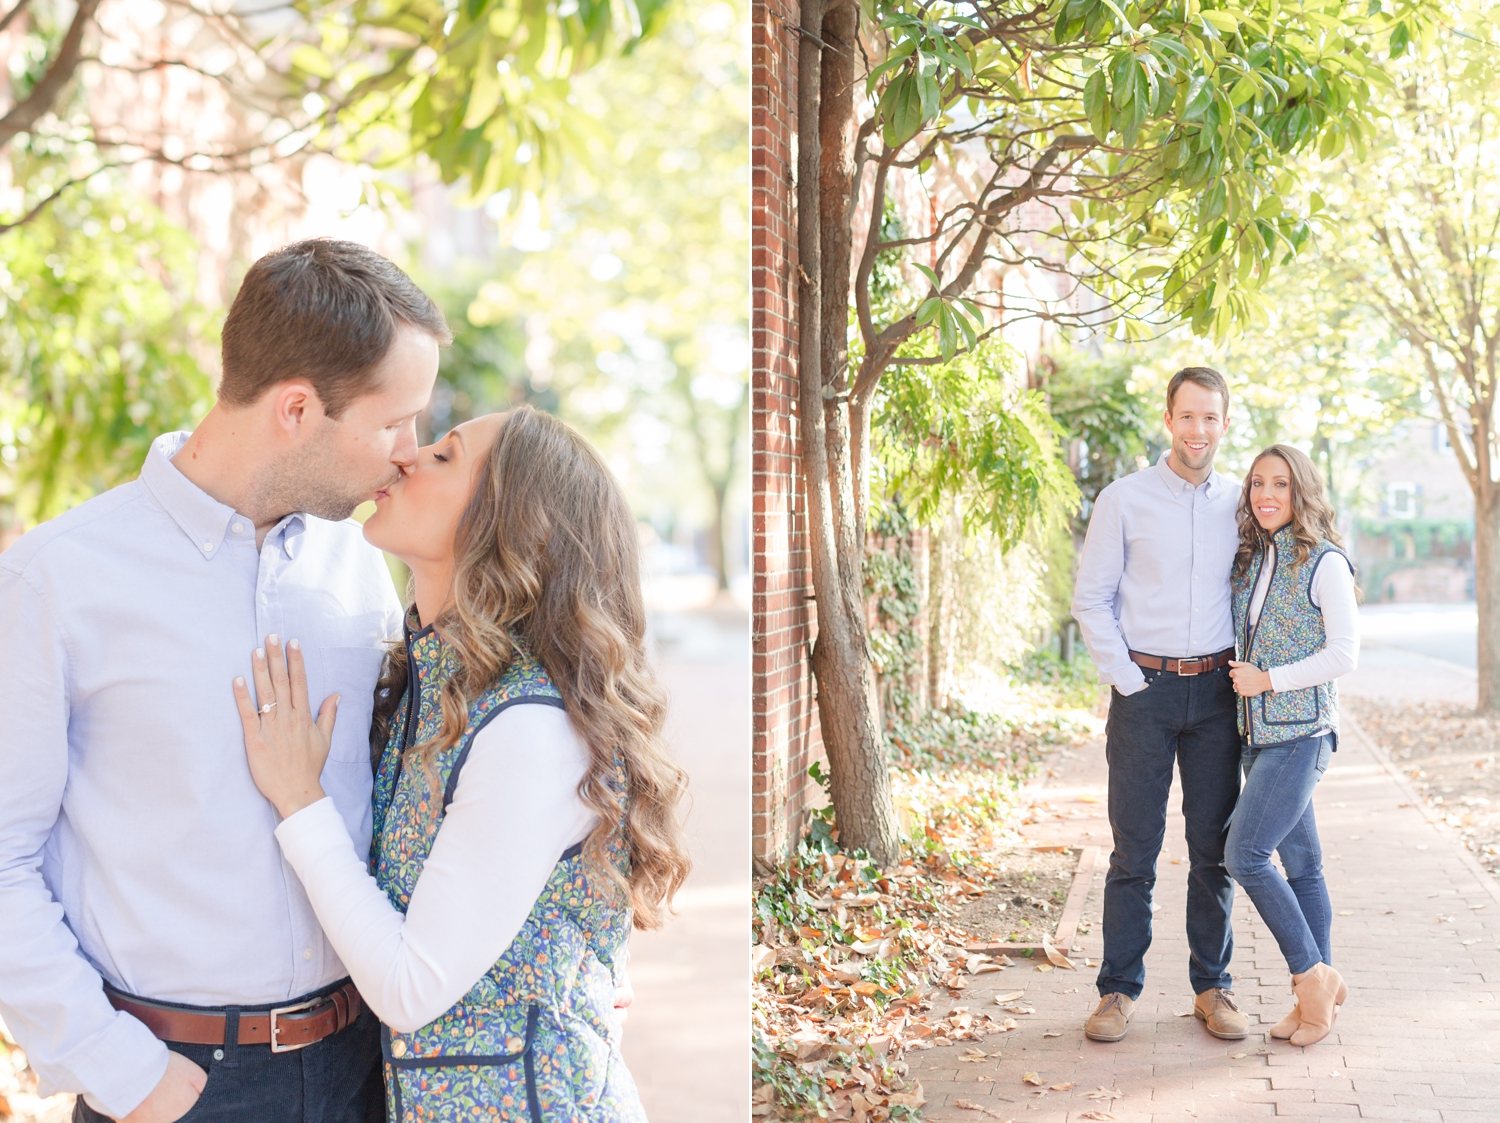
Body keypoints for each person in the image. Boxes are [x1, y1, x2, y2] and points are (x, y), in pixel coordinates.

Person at [0, 238, 447, 1122]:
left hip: (366, 1066)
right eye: (395, 421)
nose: (410, 451)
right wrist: (121, 1069)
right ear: (295, 408)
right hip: (179, 1082)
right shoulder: (57, 578)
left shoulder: (358, 563)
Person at [231, 405, 691, 1120]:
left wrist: (300, 800)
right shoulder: (438, 683)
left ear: (507, 522)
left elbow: (410, 985)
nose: (408, 456)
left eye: (445, 456)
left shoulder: (529, 727)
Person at [1071, 366, 1250, 1043]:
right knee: (1134, 849)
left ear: (1224, 423)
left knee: (1214, 849)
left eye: (1210, 417)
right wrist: (1127, 679)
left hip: (1215, 692)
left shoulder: (1243, 502)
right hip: (1143, 691)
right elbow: (1091, 597)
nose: (1198, 429)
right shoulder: (1124, 498)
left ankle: (1213, 987)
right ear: (1168, 418)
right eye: (1187, 416)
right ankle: (1117, 988)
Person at [1225, 444, 1357, 1047]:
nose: (1266, 494)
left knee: (1245, 855)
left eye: (1279, 483)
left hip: (1302, 734)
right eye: (1257, 483)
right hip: (1258, 736)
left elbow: (1344, 655)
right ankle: (1314, 1008)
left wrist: (1269, 679)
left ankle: (1311, 979)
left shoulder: (1325, 562)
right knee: (1304, 866)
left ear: (1300, 490)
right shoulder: (1255, 558)